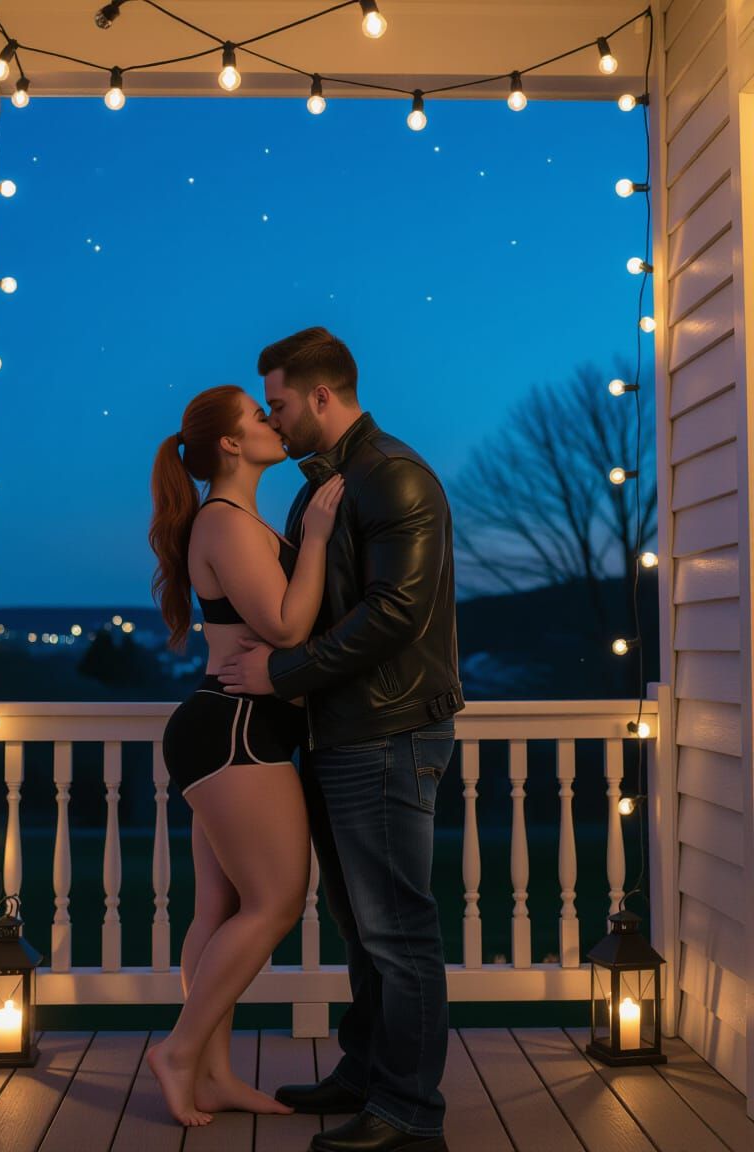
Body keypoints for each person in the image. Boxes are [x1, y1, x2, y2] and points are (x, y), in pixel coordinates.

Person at [218, 328, 464, 1152]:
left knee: (399, 933)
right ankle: (366, 1077)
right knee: (362, 928)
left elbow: (397, 613)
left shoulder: (391, 475)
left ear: (323, 396)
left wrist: (284, 678)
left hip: (389, 733)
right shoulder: (324, 486)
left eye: (281, 404)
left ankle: (409, 1115)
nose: (275, 422)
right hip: (342, 734)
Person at [146, 383, 344, 1126]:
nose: (272, 422)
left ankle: (214, 1073)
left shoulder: (237, 520)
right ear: (231, 443)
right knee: (276, 902)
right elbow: (289, 629)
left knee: (220, 906)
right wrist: (319, 538)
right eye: (258, 416)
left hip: (231, 731)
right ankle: (180, 1051)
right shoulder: (225, 524)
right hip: (236, 734)